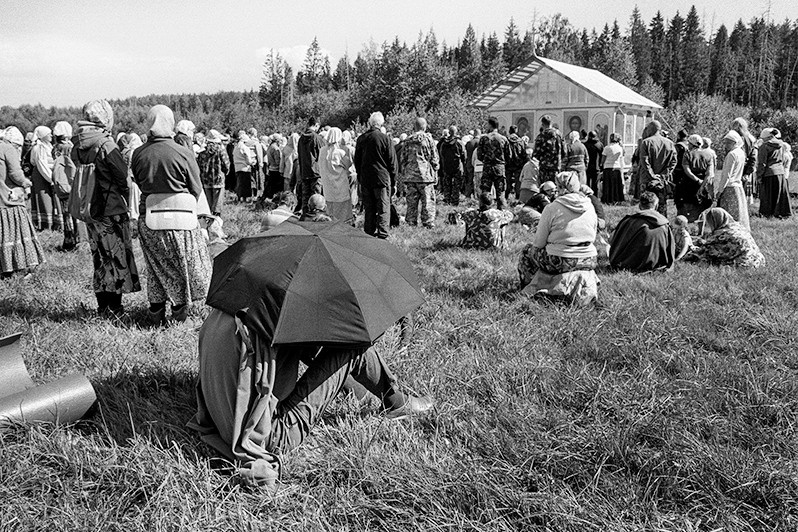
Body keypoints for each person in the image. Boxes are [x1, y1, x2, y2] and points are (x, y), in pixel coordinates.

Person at [189, 308, 435, 489]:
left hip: (220, 420)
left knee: (315, 347)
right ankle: (397, 403)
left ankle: (352, 388)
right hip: (270, 434)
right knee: (355, 348)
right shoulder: (273, 326)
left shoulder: (227, 310)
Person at [132, 104, 211, 325]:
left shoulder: (138, 154)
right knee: (181, 266)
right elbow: (196, 188)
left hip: (149, 219)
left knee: (156, 268)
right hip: (181, 220)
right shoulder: (183, 152)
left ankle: (156, 313)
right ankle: (179, 313)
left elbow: (139, 182)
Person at [72, 100, 141, 317]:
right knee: (117, 259)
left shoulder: (79, 144)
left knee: (99, 258)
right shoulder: (106, 145)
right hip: (111, 210)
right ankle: (116, 309)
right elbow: (123, 179)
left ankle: (103, 307)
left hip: (91, 209)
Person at [517, 171, 598, 289]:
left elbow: (539, 243)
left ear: (560, 188)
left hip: (561, 260)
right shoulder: (590, 206)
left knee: (526, 252)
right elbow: (593, 235)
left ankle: (531, 287)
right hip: (589, 259)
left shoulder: (552, 208)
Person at [0, 126, 45, 277]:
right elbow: (15, 173)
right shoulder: (8, 148)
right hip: (9, 198)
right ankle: (18, 266)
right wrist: (27, 183)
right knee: (17, 232)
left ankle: (4, 267)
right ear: (15, 143)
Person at [609, 192, 675, 273]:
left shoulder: (629, 221)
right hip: (657, 264)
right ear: (656, 206)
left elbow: (614, 241)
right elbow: (670, 248)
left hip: (629, 264)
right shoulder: (664, 224)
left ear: (640, 205)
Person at [354, 112, 396, 239]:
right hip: (382, 178)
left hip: (366, 178)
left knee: (369, 207)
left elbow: (357, 160)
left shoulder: (361, 139)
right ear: (381, 123)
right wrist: (394, 181)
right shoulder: (385, 139)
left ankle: (369, 232)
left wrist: (360, 176)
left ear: (370, 123)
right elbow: (392, 162)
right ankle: (383, 234)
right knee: (383, 207)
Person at [685, 208, 764, 267]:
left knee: (702, 259)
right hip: (758, 260)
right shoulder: (739, 227)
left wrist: (690, 247)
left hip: (744, 264)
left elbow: (707, 251)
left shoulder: (723, 234)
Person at [52, 121, 86, 251]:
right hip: (71, 183)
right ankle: (78, 239)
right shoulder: (69, 148)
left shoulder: (55, 147)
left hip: (60, 185)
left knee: (66, 213)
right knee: (76, 211)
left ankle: (68, 240)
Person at [400, 117, 439, 228]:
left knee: (411, 201)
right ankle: (428, 222)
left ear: (415, 126)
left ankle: (411, 221)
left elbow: (403, 158)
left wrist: (404, 172)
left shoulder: (407, 140)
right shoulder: (428, 139)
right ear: (424, 126)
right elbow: (434, 157)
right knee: (427, 200)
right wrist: (435, 170)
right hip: (425, 175)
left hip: (410, 175)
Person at [714, 130, 750, 231]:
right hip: (738, 187)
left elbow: (727, 175)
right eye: (725, 142)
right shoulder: (741, 153)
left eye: (728, 143)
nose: (726, 145)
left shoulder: (731, 154)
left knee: (729, 215)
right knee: (738, 213)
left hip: (730, 187)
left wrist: (720, 190)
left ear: (734, 142)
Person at [639, 120, 676, 216]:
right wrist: (663, 175)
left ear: (651, 129)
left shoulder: (646, 142)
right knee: (662, 205)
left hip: (647, 180)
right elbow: (673, 162)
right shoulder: (670, 143)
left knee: (646, 205)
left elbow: (644, 161)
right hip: (662, 181)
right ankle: (662, 225)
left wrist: (652, 176)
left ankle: (647, 226)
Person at [318, 127, 355, 223]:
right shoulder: (340, 153)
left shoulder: (322, 151)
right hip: (340, 185)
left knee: (330, 210)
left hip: (327, 186)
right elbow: (348, 165)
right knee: (342, 213)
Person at [29, 126, 61, 231]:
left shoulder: (47, 146)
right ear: (43, 136)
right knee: (44, 199)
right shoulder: (39, 147)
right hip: (42, 176)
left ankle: (53, 224)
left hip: (47, 175)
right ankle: (46, 226)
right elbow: (41, 165)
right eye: (49, 134)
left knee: (50, 199)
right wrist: (51, 179)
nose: (51, 135)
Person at [757, 128, 792, 218]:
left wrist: (759, 176)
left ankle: (767, 213)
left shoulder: (764, 147)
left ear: (766, 138)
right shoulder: (782, 145)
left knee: (768, 196)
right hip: (780, 172)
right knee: (780, 195)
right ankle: (782, 213)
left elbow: (762, 163)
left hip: (769, 172)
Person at [678, 134, 712, 223]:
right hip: (703, 183)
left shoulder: (688, 154)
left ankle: (685, 226)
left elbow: (687, 170)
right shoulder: (708, 154)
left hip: (689, 183)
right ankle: (700, 230)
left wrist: (697, 180)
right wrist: (703, 184)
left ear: (691, 144)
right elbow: (709, 173)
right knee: (701, 207)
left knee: (686, 206)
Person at [477, 117, 509, 209]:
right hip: (499, 168)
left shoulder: (484, 138)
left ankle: (483, 212)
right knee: (500, 192)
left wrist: (486, 160)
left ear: (490, 125)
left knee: (485, 192)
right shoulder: (503, 139)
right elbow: (508, 155)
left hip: (487, 167)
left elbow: (479, 155)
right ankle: (502, 213)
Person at [197, 129, 230, 217]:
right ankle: (216, 220)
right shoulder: (220, 149)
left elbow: (199, 164)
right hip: (218, 178)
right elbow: (226, 163)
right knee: (218, 202)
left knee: (208, 201)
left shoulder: (202, 150)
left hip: (206, 179)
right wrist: (226, 172)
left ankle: (208, 219)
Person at [297, 118, 325, 216]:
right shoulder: (317, 138)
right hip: (316, 173)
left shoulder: (300, 139)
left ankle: (304, 219)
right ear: (316, 125)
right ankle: (315, 221)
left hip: (304, 172)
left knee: (305, 199)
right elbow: (323, 155)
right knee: (316, 200)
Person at [730, 117, 757, 202]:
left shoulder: (748, 139)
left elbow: (753, 156)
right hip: (742, 166)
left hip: (742, 167)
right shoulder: (750, 138)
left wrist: (748, 172)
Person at [438, 125, 466, 205]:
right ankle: (455, 201)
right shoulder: (459, 143)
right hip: (457, 167)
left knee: (447, 184)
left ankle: (447, 199)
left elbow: (441, 154)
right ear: (456, 132)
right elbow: (464, 155)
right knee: (456, 185)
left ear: (449, 132)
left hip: (446, 166)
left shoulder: (444, 143)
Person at [532, 116, 564, 184]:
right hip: (556, 167)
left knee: (544, 188)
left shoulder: (540, 136)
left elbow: (535, 154)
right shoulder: (559, 135)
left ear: (542, 124)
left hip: (544, 168)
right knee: (555, 187)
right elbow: (565, 151)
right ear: (551, 123)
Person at [600, 133, 625, 203]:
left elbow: (603, 159)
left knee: (608, 185)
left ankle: (607, 199)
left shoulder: (607, 148)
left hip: (608, 167)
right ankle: (616, 198)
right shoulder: (620, 148)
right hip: (617, 167)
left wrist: (601, 165)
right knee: (616, 185)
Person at [505, 125, 527, 199]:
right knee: (518, 181)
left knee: (507, 181)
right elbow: (524, 153)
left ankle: (506, 196)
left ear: (509, 131)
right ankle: (517, 197)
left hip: (508, 164)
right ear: (516, 131)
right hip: (518, 164)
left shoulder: (506, 140)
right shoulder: (520, 141)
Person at [233, 131, 256, 202]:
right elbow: (248, 160)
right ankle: (245, 199)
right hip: (245, 168)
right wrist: (253, 162)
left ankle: (239, 198)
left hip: (237, 167)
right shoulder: (245, 148)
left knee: (239, 184)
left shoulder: (236, 147)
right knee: (246, 185)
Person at [264, 134, 283, 199]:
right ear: (277, 140)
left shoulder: (270, 146)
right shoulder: (275, 148)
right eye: (280, 140)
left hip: (271, 168)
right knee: (276, 186)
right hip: (276, 169)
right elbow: (277, 161)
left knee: (271, 185)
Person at [463, 129, 480, 198]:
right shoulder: (481, 142)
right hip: (478, 164)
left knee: (469, 180)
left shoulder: (469, 143)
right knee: (478, 181)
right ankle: (478, 196)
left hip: (469, 163)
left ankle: (468, 195)